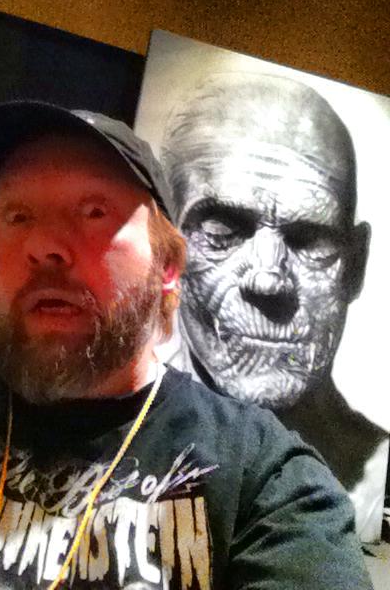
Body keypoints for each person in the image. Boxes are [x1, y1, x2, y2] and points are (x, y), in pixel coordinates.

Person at [0, 100, 373, 589]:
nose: (43, 245)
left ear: (167, 268)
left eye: (94, 212)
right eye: (18, 215)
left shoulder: (262, 479)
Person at [159, 72, 388, 537]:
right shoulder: (102, 441)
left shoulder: (376, 474)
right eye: (222, 230)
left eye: (309, 240)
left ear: (355, 265)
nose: (267, 278)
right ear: (164, 249)